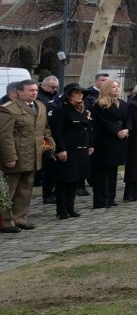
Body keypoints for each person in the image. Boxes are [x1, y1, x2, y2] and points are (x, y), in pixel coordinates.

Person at [0, 79, 50, 230]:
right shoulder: (8, 109)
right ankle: (5, 221)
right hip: (16, 155)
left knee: (26, 188)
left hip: (33, 154)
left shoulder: (40, 106)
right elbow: (4, 136)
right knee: (9, 189)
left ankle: (20, 217)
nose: (34, 93)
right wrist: (9, 157)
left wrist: (50, 143)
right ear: (19, 92)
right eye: (30, 90)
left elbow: (45, 129)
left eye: (35, 90)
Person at [50, 83, 91, 220]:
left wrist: (90, 144)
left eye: (81, 93)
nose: (80, 95)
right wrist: (61, 149)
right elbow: (57, 131)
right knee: (64, 179)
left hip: (81, 148)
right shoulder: (61, 110)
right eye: (77, 93)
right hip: (68, 148)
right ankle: (61, 210)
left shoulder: (82, 110)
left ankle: (70, 207)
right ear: (69, 96)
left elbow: (87, 128)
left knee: (75, 179)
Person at [89, 78, 128, 209]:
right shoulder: (99, 104)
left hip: (119, 140)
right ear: (106, 89)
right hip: (105, 141)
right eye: (113, 87)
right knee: (102, 171)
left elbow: (128, 118)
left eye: (118, 86)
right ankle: (101, 199)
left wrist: (127, 129)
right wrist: (116, 131)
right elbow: (102, 122)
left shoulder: (122, 103)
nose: (117, 88)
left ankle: (111, 197)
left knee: (113, 170)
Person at [36, 74, 61, 206]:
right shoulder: (39, 97)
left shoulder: (56, 96)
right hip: (44, 135)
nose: (54, 89)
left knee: (55, 167)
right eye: (52, 87)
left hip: (54, 134)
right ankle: (47, 194)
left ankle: (53, 192)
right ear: (44, 85)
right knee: (48, 168)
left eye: (56, 87)